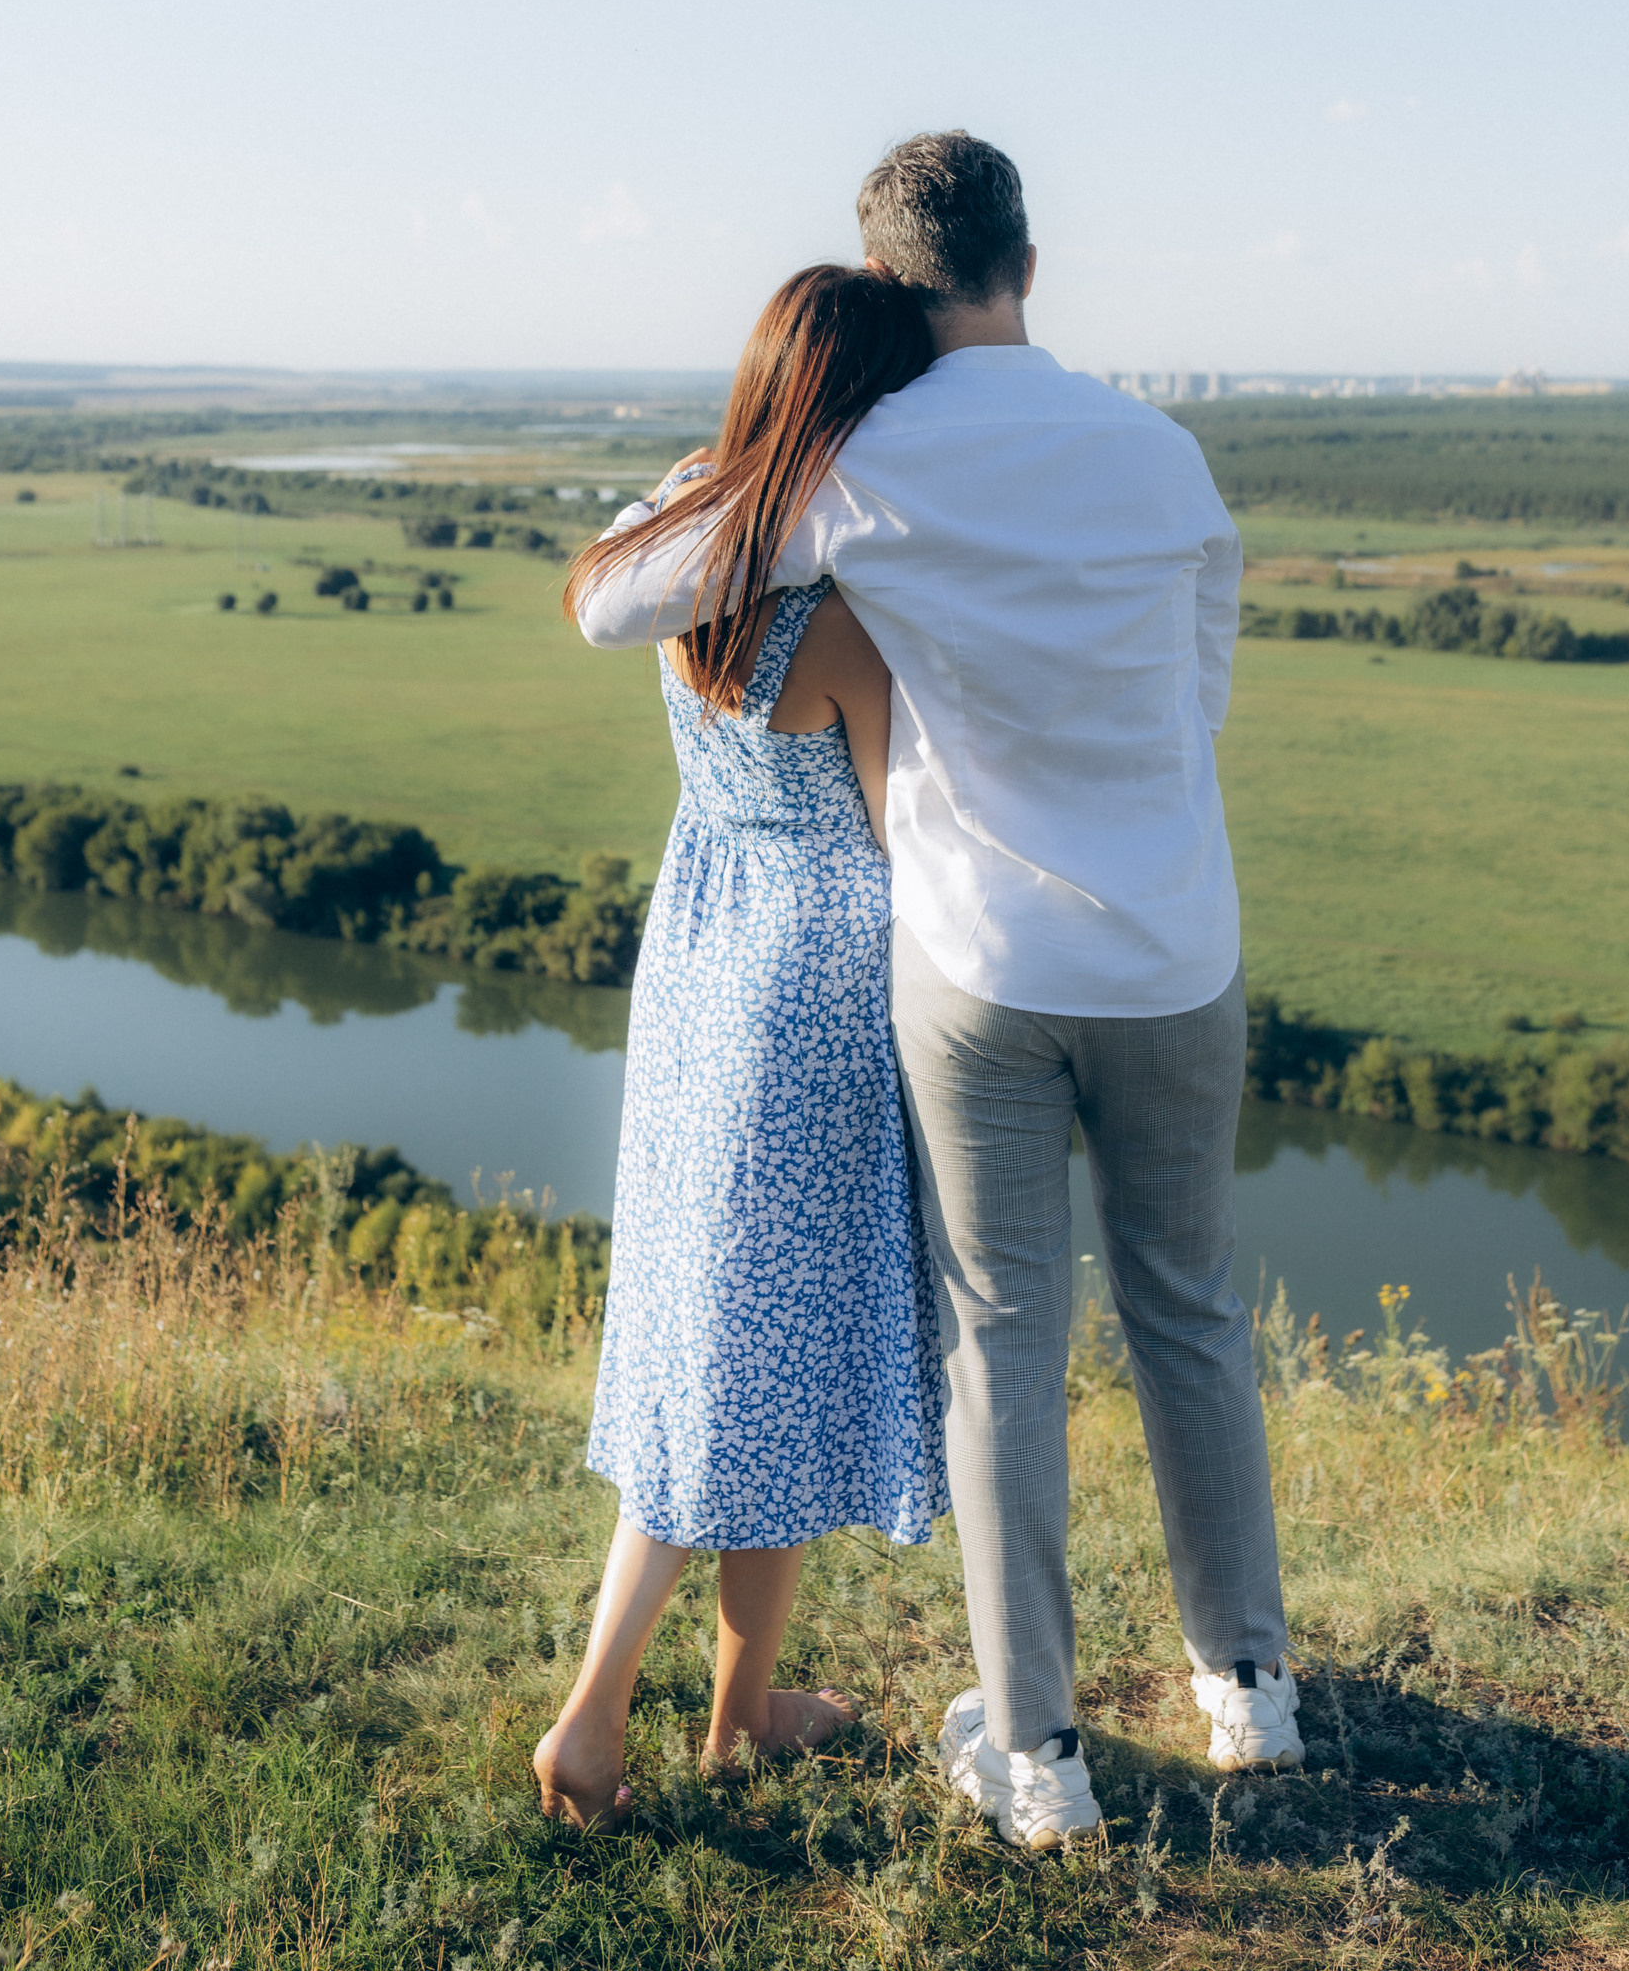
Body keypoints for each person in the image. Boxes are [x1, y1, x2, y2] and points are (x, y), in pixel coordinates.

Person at [574, 131, 1301, 1851]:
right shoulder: (1166, 455)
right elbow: (1196, 707)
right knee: (1190, 1311)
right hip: (1178, 952)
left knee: (1001, 1345)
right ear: (1030, 264)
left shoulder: (862, 464)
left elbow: (621, 605)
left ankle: (1037, 1756)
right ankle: (1247, 1692)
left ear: (893, 279)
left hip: (980, 962)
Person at [531, 264, 949, 1834]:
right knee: (747, 1372)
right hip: (816, 994)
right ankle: (593, 1722)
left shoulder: (684, 545)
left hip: (700, 957)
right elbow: (906, 836)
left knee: (750, 1351)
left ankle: (745, 1712)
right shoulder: (839, 622)